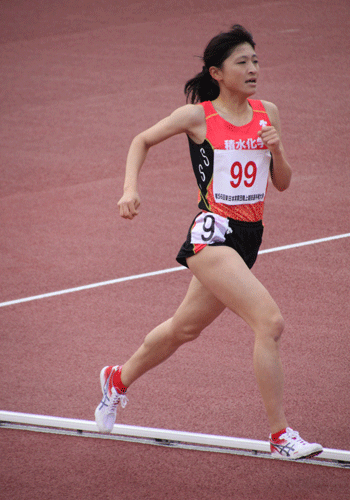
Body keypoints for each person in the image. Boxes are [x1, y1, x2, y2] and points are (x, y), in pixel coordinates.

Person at [95, 24, 323, 460]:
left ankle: (117, 379)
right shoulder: (199, 116)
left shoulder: (267, 112)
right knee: (269, 323)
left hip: (250, 237)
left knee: (185, 328)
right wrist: (129, 188)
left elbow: (284, 184)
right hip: (213, 236)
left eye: (256, 60)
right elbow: (140, 139)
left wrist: (277, 150)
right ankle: (280, 436)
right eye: (243, 62)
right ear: (217, 73)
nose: (254, 68)